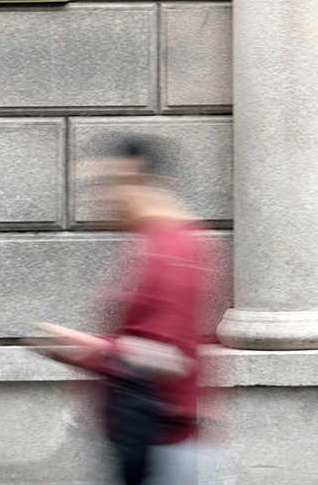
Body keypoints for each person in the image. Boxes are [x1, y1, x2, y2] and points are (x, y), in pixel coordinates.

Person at [30, 138, 216, 485]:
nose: (103, 196)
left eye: (114, 182)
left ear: (147, 184)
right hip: (138, 435)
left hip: (159, 445)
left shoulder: (174, 248)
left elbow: (169, 357)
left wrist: (87, 348)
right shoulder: (150, 243)